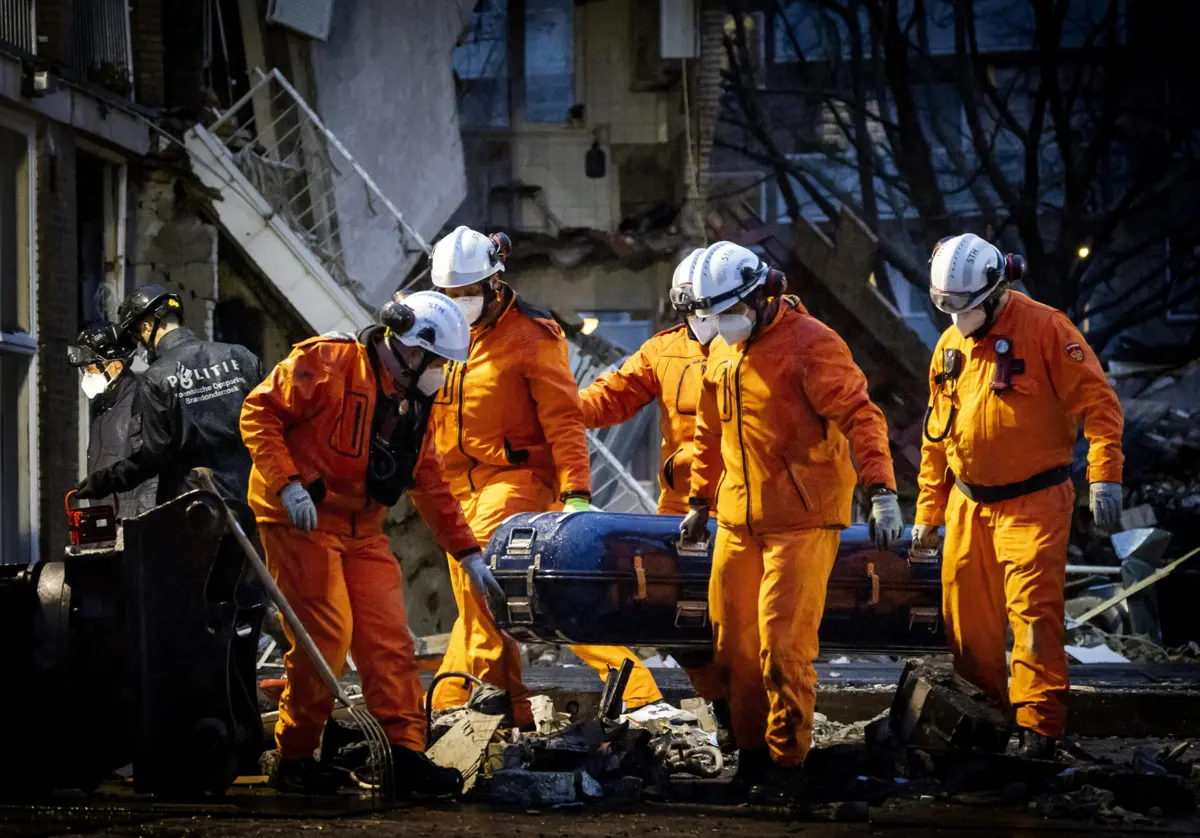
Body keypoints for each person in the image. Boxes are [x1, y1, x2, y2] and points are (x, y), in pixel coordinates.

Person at [240, 291, 499, 796]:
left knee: (388, 640)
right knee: (326, 638)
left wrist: (468, 553)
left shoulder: (414, 406)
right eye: (440, 362)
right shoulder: (329, 362)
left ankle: (403, 755)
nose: (443, 374)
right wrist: (289, 482)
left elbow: (430, 482)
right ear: (411, 349)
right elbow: (259, 414)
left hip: (362, 528)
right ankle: (295, 757)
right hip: (301, 520)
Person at [679, 241, 902, 790]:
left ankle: (786, 763)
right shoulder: (722, 351)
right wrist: (699, 502)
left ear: (759, 296)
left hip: (802, 520)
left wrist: (882, 490)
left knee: (783, 647)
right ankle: (752, 759)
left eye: (728, 312)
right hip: (737, 521)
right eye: (712, 315)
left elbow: (861, 417)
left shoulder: (813, 345)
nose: (720, 324)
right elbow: (710, 433)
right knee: (734, 649)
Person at [427, 225, 662, 726]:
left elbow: (563, 417)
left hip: (516, 482)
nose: (459, 303)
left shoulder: (532, 335)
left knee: (488, 590)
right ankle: (502, 714)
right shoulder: (443, 331)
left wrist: (576, 491)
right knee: (491, 605)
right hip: (456, 487)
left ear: (494, 285)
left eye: (468, 293)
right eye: (450, 294)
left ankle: (467, 707)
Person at [912, 233, 1124, 759]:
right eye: (947, 306)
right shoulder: (950, 346)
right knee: (967, 621)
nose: (956, 317)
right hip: (968, 503)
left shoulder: (1047, 329)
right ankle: (980, 721)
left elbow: (1099, 405)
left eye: (964, 306)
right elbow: (936, 436)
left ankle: (1039, 728)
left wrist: (1105, 476)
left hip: (1033, 502)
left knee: (1033, 617)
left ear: (995, 289)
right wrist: (928, 512)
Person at [576, 248, 727, 716]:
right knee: (676, 623)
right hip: (679, 511)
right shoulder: (664, 351)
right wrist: (556, 409)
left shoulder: (756, 350)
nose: (702, 319)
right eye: (693, 310)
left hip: (741, 509)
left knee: (737, 625)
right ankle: (725, 708)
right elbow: (611, 396)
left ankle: (748, 717)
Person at [75, 285, 263, 507]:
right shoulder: (240, 356)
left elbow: (152, 457)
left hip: (195, 510)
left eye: (138, 336)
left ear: (147, 327)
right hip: (253, 499)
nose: (141, 344)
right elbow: (271, 425)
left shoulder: (155, 378)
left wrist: (103, 481)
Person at [68, 322, 157, 517]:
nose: (86, 375)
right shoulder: (103, 407)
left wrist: (139, 525)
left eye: (90, 369)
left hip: (129, 526)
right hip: (107, 523)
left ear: (116, 367)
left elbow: (151, 471)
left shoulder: (139, 402)